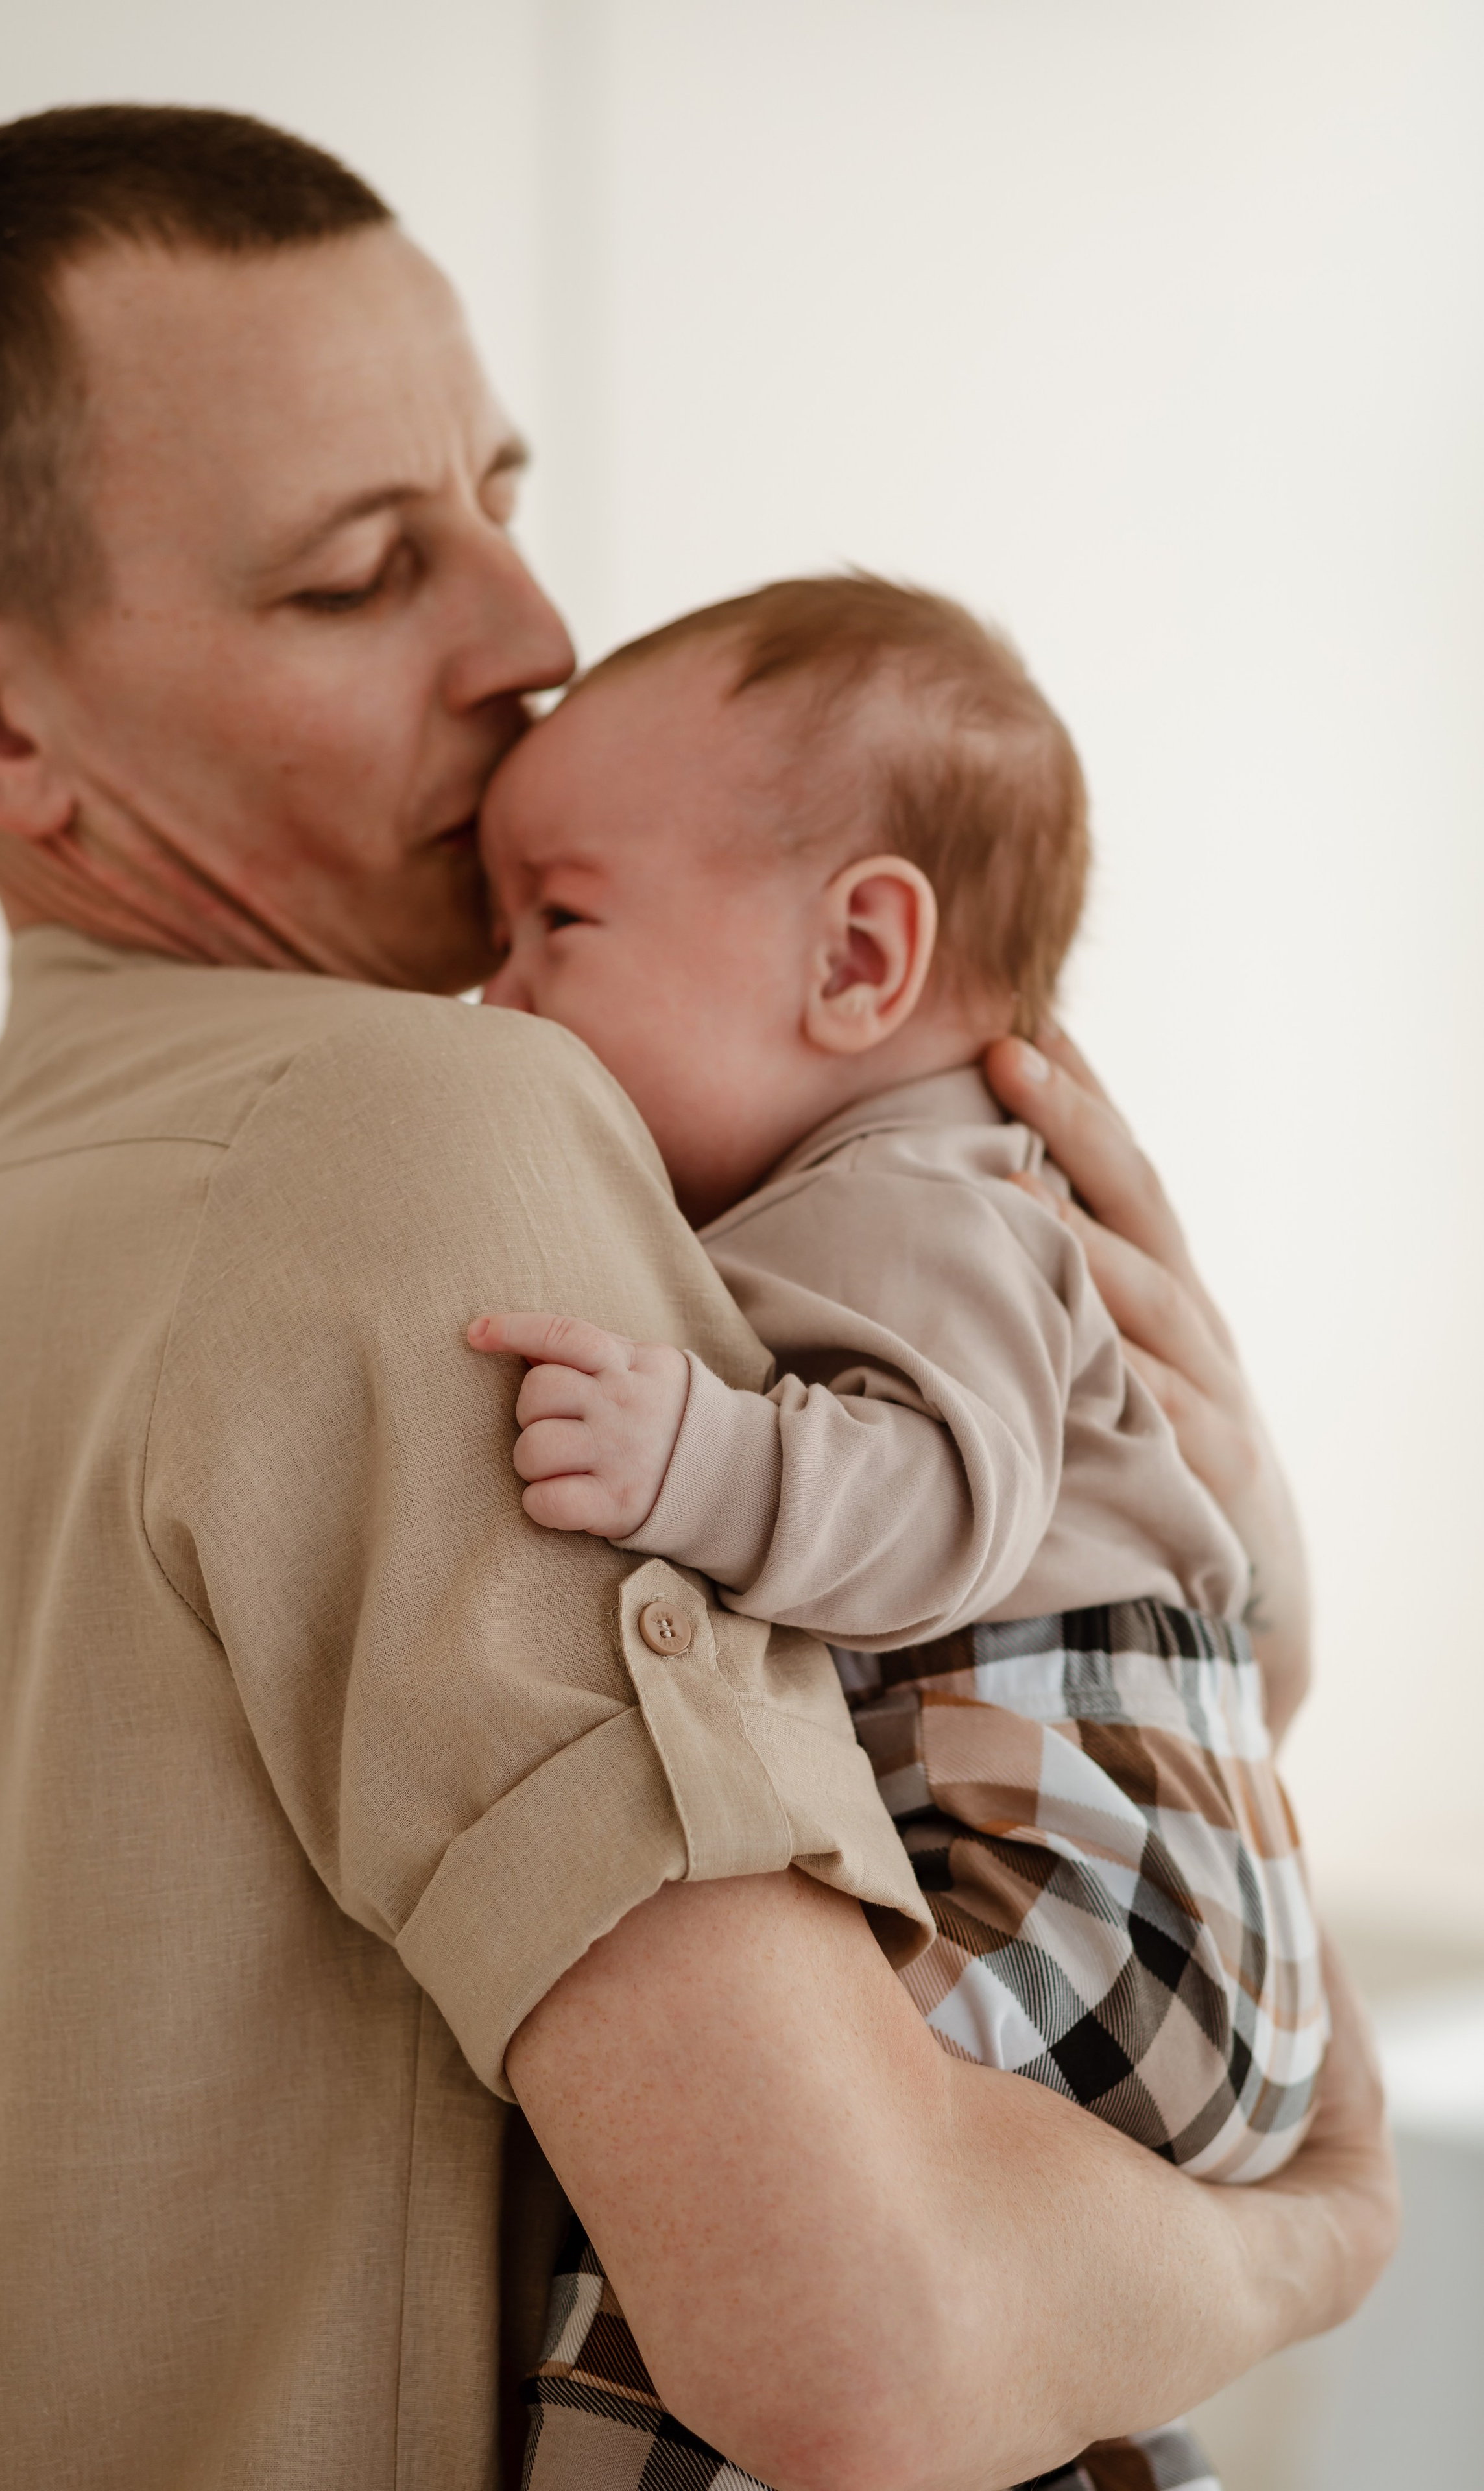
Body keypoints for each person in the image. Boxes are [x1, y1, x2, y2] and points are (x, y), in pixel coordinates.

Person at [0, 104, 1394, 2491]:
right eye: (361, 575)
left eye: (498, 496)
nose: (532, 638)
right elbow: (868, 2351)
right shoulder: (412, 1137)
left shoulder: (7, 1230)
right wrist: (1321, 2230)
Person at [470, 575, 1328, 2488]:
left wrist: (700, 1461)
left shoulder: (917, 1196)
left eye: (559, 921)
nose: (497, 992)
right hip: (1140, 1880)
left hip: (1091, 1869)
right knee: (1036, 2363)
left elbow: (942, 1504)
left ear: (858, 956)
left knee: (745, 2224)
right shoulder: (903, 1193)